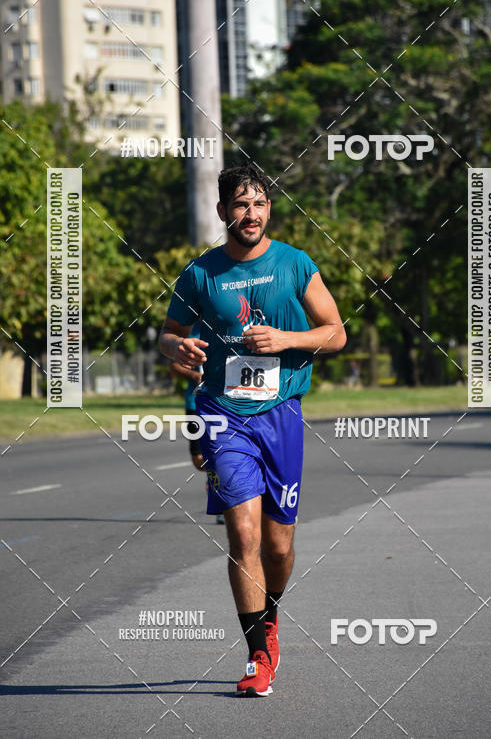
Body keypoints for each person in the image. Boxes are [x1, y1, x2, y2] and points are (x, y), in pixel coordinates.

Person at [159, 163, 346, 696]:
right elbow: (168, 338)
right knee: (243, 534)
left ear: (269, 209)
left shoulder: (295, 264)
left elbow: (336, 334)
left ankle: (271, 616)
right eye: (240, 205)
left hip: (280, 414)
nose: (251, 214)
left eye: (259, 204)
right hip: (224, 414)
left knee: (279, 546)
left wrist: (287, 340)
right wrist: (178, 348)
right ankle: (257, 654)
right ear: (222, 212)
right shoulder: (200, 274)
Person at [169, 326, 225, 524]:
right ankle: (214, 479)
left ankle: (223, 502)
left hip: (223, 404)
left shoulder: (227, 328)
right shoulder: (191, 332)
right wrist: (195, 376)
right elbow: (174, 366)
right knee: (199, 459)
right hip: (194, 403)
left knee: (223, 454)